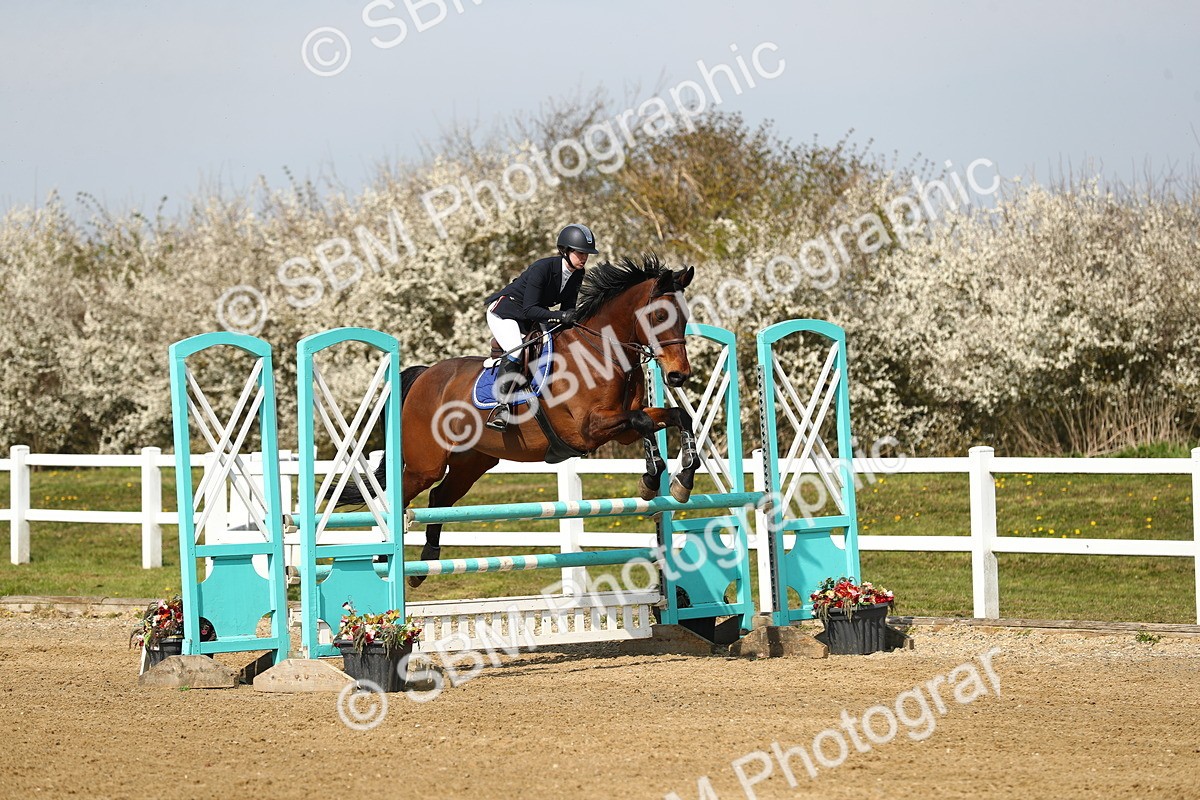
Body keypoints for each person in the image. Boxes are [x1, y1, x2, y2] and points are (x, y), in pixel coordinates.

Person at [482, 223, 599, 430]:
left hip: (533, 315)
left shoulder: (577, 274)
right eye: (580, 253)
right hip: (506, 311)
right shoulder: (542, 268)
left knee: (556, 344)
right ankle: (501, 407)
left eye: (586, 254)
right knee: (516, 350)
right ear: (565, 250)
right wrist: (560, 316)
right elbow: (530, 309)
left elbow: (568, 308)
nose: (584, 258)